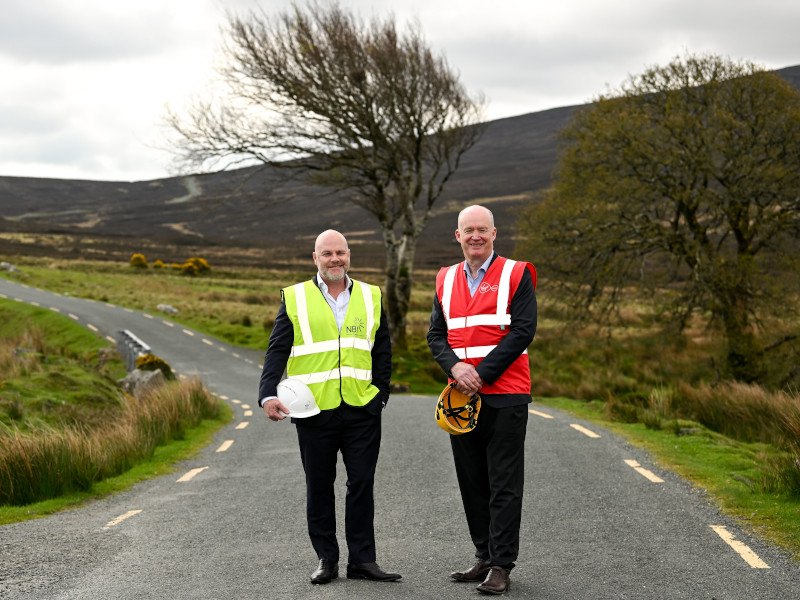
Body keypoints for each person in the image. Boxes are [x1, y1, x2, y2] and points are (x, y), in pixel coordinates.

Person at [258, 229, 401, 585]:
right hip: (312, 410)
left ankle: (363, 561)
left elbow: (382, 349)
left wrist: (380, 394)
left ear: (349, 255)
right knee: (319, 486)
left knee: (362, 484)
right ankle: (327, 559)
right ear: (315, 258)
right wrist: (267, 393)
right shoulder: (295, 297)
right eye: (327, 254)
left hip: (361, 409)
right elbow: (277, 349)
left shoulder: (370, 295)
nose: (335, 259)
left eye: (340, 252)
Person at [427, 205, 537, 595]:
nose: (475, 236)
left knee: (504, 482)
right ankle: (483, 556)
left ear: (495, 233)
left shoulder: (516, 273)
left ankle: (502, 565)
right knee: (472, 480)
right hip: (461, 398)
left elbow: (523, 330)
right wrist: (457, 369)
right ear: (457, 236)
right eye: (468, 230)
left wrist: (482, 374)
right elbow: (436, 336)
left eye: (482, 230)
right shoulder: (444, 278)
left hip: (506, 395)